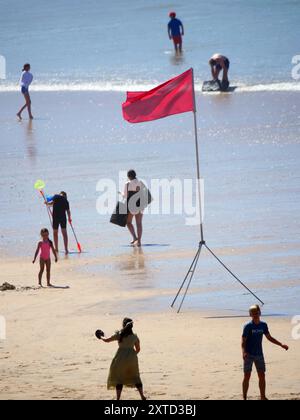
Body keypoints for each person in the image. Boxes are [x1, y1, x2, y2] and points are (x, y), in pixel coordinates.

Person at [242, 304, 289, 400]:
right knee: (247, 376)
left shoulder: (263, 325)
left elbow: (269, 337)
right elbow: (243, 341)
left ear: (260, 313)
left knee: (262, 375)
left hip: (259, 354)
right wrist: (244, 352)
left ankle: (263, 397)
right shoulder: (248, 326)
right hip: (249, 355)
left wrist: (281, 344)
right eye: (253, 313)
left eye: (257, 313)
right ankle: (244, 398)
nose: (255, 315)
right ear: (250, 314)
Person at [97, 318, 146, 400]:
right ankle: (142, 396)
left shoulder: (119, 335)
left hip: (120, 358)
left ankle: (118, 398)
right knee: (136, 377)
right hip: (132, 359)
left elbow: (107, 340)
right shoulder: (134, 337)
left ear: (123, 325)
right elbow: (138, 349)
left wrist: (101, 336)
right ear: (131, 327)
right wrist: (132, 355)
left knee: (119, 378)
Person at [123, 170, 144, 247]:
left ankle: (135, 237)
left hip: (132, 205)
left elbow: (125, 196)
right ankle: (139, 241)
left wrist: (121, 194)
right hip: (140, 204)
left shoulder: (127, 184)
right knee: (139, 223)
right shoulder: (140, 182)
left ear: (128, 176)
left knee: (128, 222)